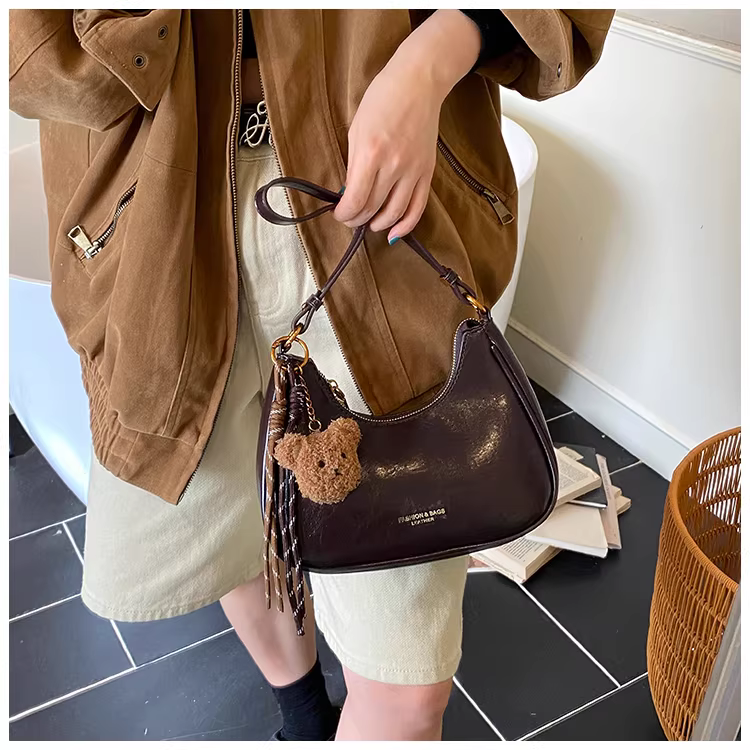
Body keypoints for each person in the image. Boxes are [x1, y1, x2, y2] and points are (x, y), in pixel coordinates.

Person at [9, 9, 613, 741]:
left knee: (406, 694)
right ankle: (302, 715)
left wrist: (431, 59)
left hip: (385, 197)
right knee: (234, 533)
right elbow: (40, 60)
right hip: (159, 224)